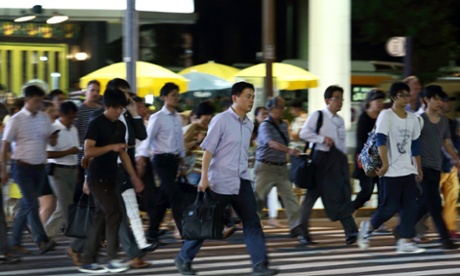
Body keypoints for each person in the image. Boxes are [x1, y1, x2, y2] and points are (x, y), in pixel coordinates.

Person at [174, 82, 279, 276]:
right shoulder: (221, 120)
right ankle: (183, 258)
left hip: (241, 180)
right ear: (235, 98)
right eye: (248, 96)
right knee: (208, 221)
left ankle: (260, 265)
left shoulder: (248, 124)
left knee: (252, 221)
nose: (251, 100)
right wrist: (204, 179)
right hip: (219, 181)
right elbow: (208, 150)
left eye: (253, 96)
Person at [78, 87, 143, 273]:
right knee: (114, 213)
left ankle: (88, 260)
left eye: (121, 107)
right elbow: (88, 151)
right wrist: (111, 147)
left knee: (101, 218)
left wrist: (134, 176)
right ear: (106, 106)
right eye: (114, 107)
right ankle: (111, 258)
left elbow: (123, 154)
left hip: (112, 177)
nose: (118, 111)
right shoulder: (96, 123)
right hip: (96, 178)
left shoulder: (120, 125)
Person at [357, 81, 425, 253]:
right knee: (389, 207)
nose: (407, 98)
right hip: (390, 172)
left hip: (407, 170)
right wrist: (385, 163)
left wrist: (418, 167)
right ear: (394, 97)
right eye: (402, 95)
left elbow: (415, 145)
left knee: (410, 206)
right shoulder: (386, 115)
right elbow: (380, 139)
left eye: (408, 95)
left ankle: (405, 241)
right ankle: (368, 228)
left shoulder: (413, 119)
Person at [0, 85, 58, 255]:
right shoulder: (16, 119)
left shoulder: (44, 118)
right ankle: (42, 240)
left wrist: (53, 138)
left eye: (41, 101)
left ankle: (14, 242)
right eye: (36, 101)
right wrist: (4, 170)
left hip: (40, 168)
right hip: (22, 167)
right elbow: (5, 145)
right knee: (32, 203)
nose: (39, 104)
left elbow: (50, 142)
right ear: (27, 100)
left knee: (27, 204)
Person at [299, 85, 358, 245]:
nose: (340, 101)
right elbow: (303, 133)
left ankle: (351, 231)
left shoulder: (340, 120)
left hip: (336, 163)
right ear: (327, 100)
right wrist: (322, 139)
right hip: (320, 162)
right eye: (337, 98)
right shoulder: (318, 115)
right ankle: (302, 232)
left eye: (341, 98)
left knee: (340, 195)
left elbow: (342, 144)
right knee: (311, 198)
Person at [137, 82, 190, 245]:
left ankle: (152, 233)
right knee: (175, 195)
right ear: (164, 98)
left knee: (163, 199)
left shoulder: (177, 117)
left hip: (174, 160)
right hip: (160, 160)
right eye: (173, 95)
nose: (176, 98)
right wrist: (142, 159)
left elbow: (179, 140)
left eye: (177, 95)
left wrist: (181, 159)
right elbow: (148, 139)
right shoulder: (157, 117)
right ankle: (184, 231)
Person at [254, 96, 307, 244]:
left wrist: (290, 151)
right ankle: (252, 226)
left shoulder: (284, 124)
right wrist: (289, 151)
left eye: (283, 107)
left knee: (290, 198)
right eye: (280, 107)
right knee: (258, 199)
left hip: (281, 167)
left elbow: (286, 141)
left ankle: (296, 226)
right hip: (265, 168)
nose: (283, 110)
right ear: (271, 109)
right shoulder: (265, 125)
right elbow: (271, 143)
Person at [412, 85, 459, 250]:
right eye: (436, 99)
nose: (440, 102)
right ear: (426, 100)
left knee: (426, 203)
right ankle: (445, 239)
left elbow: (447, 143)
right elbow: (414, 146)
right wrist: (417, 168)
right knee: (435, 203)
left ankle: (402, 228)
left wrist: (456, 159)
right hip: (422, 168)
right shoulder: (419, 120)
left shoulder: (444, 121)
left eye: (441, 99)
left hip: (436, 166)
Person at [44, 101, 80, 238]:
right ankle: (77, 241)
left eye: (74, 117)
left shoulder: (74, 129)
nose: (72, 120)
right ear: (62, 114)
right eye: (70, 117)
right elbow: (47, 154)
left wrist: (76, 168)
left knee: (62, 207)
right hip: (57, 171)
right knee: (68, 207)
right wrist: (68, 152)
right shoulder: (53, 129)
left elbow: (75, 150)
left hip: (71, 170)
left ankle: (45, 236)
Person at [352, 89, 386, 210]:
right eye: (377, 100)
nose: (380, 103)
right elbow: (360, 140)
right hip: (366, 160)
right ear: (370, 102)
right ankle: (348, 210)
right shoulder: (364, 118)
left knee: (383, 192)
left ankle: (379, 221)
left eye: (382, 100)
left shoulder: (383, 117)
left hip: (382, 159)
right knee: (367, 191)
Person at [438, 93, 460, 238]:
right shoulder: (429, 120)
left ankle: (450, 228)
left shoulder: (451, 122)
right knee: (427, 200)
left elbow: (452, 143)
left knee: (452, 196)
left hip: (450, 165)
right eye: (446, 102)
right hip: (436, 165)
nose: (449, 105)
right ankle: (407, 228)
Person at [38, 101, 58, 226]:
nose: (54, 114)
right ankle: (39, 234)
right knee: (48, 203)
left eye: (54, 111)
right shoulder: (39, 126)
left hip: (44, 168)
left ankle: (38, 231)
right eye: (50, 111)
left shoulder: (50, 126)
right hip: (37, 168)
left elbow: (53, 145)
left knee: (49, 203)